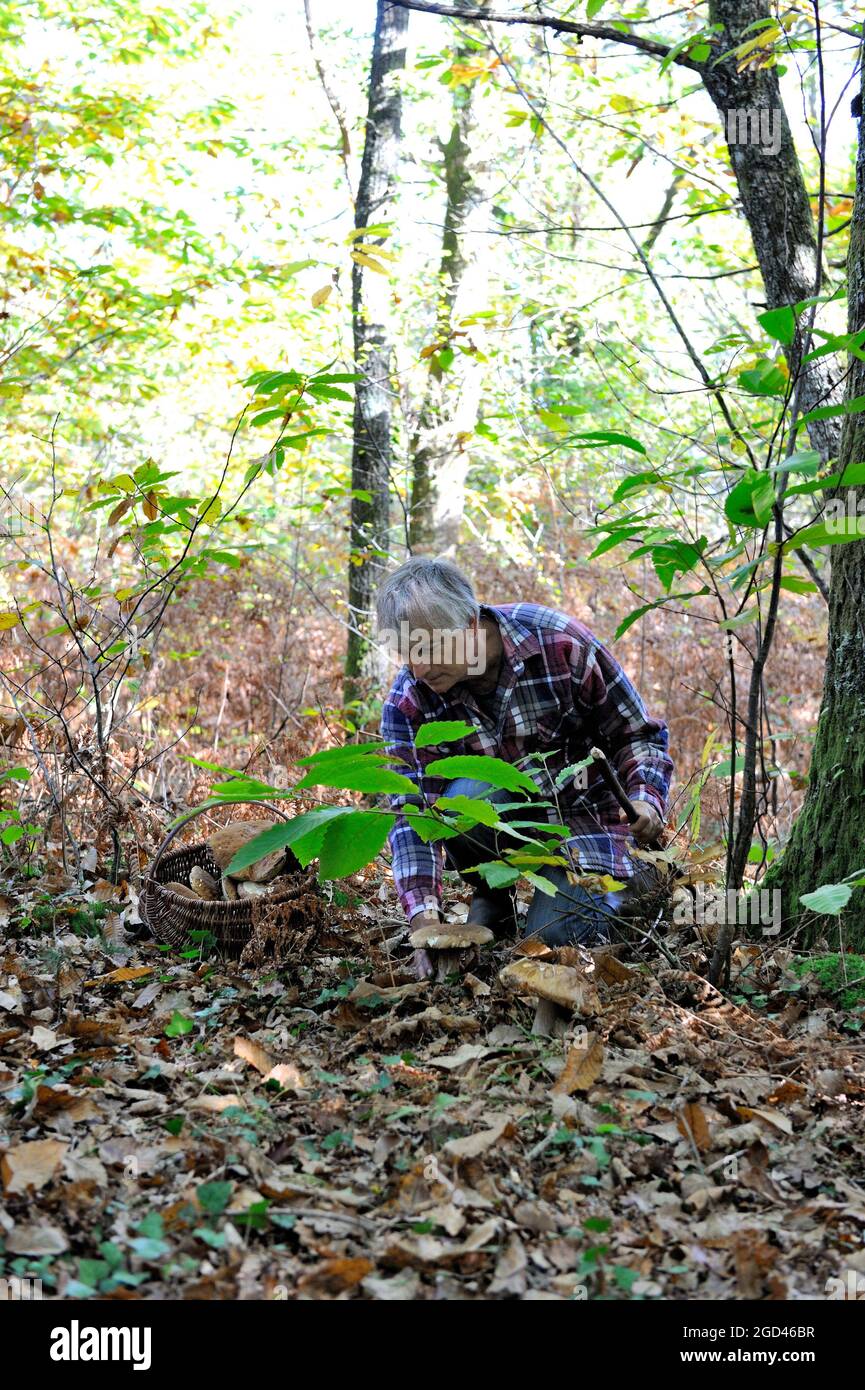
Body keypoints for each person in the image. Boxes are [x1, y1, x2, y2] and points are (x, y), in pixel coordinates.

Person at [377, 556, 673, 980]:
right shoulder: (412, 698)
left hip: (586, 827)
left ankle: (629, 887)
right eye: (409, 656)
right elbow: (413, 810)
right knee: (459, 801)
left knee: (553, 945)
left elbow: (637, 735)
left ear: (472, 626)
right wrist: (423, 917)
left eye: (432, 649)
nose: (420, 670)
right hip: (506, 831)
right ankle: (492, 895)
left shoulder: (559, 644)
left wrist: (646, 801)